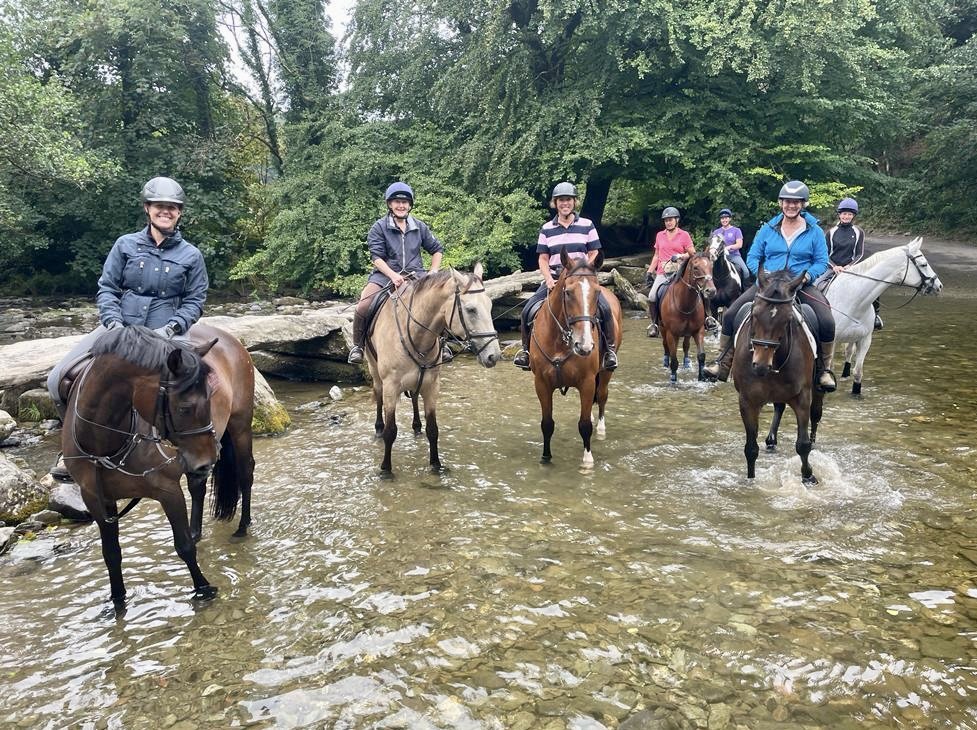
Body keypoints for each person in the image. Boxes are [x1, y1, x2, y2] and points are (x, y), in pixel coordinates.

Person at [46, 176, 209, 476]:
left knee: (191, 389)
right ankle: (68, 447)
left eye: (172, 208)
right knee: (57, 380)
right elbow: (107, 288)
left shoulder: (191, 255)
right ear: (147, 209)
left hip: (166, 333)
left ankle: (197, 446)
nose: (166, 212)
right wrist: (112, 322)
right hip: (120, 329)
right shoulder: (125, 245)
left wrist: (172, 328)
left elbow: (195, 300)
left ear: (180, 212)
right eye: (160, 206)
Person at [703, 180, 838, 392]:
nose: (791, 206)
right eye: (787, 202)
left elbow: (821, 261)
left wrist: (807, 277)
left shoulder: (815, 231)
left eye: (796, 202)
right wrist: (762, 277)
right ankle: (722, 361)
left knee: (827, 320)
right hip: (767, 285)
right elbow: (753, 256)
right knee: (730, 315)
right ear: (780, 203)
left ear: (803, 204)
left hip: (798, 284)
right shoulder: (768, 229)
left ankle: (824, 369)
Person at [512, 182, 619, 370]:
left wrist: (585, 267)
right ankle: (526, 352)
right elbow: (543, 259)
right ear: (555, 203)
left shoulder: (587, 225)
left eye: (568, 199)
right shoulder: (546, 228)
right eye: (561, 200)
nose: (565, 203)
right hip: (555, 278)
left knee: (605, 308)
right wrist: (548, 279)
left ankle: (609, 351)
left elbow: (594, 252)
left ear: (574, 202)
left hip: (581, 279)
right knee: (527, 310)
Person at [347, 182, 451, 365]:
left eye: (404, 202)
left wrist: (433, 272)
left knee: (439, 301)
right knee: (364, 304)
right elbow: (376, 258)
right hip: (384, 275)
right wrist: (393, 275)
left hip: (416, 275)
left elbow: (437, 249)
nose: (401, 205)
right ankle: (358, 346)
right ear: (390, 204)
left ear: (410, 205)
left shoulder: (419, 226)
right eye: (397, 201)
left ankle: (444, 344)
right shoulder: (378, 227)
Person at [820, 197, 882, 329]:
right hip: (833, 267)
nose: (846, 216)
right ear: (839, 214)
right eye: (844, 213)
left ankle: (875, 317)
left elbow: (860, 253)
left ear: (853, 216)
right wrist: (835, 267)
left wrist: (850, 266)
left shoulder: (859, 232)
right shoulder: (831, 233)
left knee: (874, 285)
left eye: (849, 214)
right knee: (816, 285)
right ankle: (817, 313)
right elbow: (825, 254)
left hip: (852, 267)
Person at [645, 206, 696, 338]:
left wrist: (680, 256)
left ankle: (707, 318)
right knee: (651, 296)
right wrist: (650, 271)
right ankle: (654, 324)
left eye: (671, 220)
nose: (668, 222)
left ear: (676, 220)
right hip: (663, 272)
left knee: (698, 290)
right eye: (666, 220)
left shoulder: (684, 235)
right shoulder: (660, 235)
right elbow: (656, 255)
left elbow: (692, 253)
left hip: (680, 271)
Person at [711, 208, 751, 283]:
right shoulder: (716, 232)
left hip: (733, 255)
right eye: (722, 218)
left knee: (746, 272)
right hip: (719, 257)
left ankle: (746, 289)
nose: (724, 220)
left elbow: (739, 244)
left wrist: (728, 247)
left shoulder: (736, 230)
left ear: (729, 219)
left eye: (726, 218)